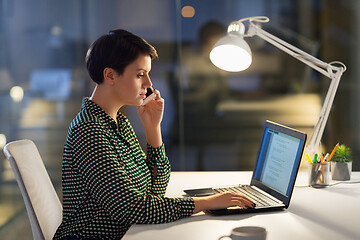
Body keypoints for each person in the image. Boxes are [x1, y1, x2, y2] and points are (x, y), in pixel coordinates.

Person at [53, 29, 254, 240]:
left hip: (131, 233)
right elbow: (130, 208)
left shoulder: (117, 122)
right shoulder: (89, 131)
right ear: (110, 75)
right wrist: (206, 203)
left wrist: (153, 129)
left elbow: (154, 191)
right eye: (140, 74)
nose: (148, 84)